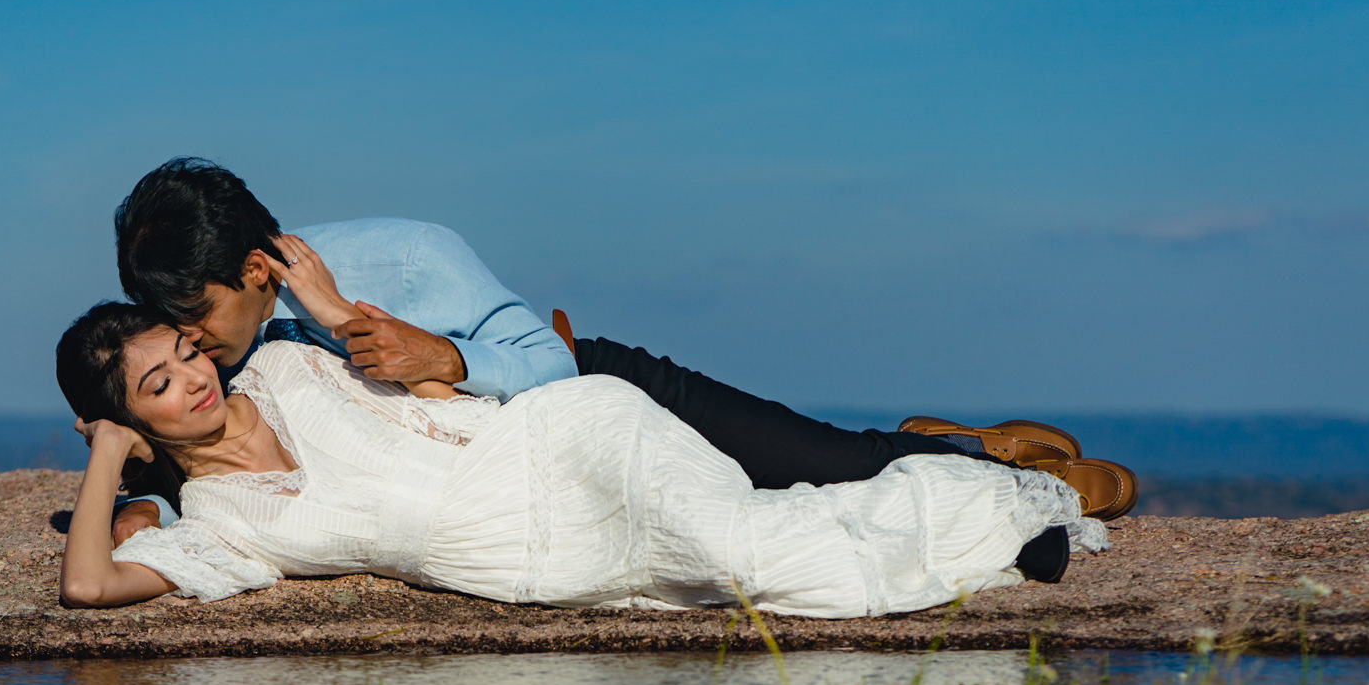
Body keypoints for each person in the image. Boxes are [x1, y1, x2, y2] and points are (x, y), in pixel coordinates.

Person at [106, 158, 1137, 539]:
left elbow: (543, 365)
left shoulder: (403, 256)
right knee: (761, 520)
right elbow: (176, 446)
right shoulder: (199, 356)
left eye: (197, 314)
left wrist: (449, 362)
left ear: (254, 268)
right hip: (525, 482)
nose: (188, 345)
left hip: (592, 388)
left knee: (824, 470)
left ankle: (963, 457)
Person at [54, 301, 1104, 617]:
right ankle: (992, 524)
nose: (194, 376)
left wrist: (336, 309)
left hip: (562, 435)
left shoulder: (284, 366)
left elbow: (429, 383)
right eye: (157, 386)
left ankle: (1012, 517)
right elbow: (91, 583)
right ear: (126, 424)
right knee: (734, 567)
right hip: (509, 552)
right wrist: (108, 460)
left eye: (187, 351)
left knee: (737, 538)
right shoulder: (224, 527)